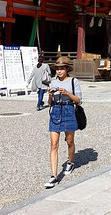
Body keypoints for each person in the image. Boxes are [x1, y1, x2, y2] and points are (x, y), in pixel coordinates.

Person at [45, 56, 82, 188]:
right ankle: (54, 176)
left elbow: (78, 100)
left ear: (67, 69)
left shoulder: (73, 81)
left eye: (62, 69)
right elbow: (49, 103)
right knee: (53, 144)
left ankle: (70, 162)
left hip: (68, 110)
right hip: (55, 111)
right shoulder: (53, 82)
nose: (59, 71)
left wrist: (67, 92)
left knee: (69, 141)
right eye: (57, 69)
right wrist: (50, 95)